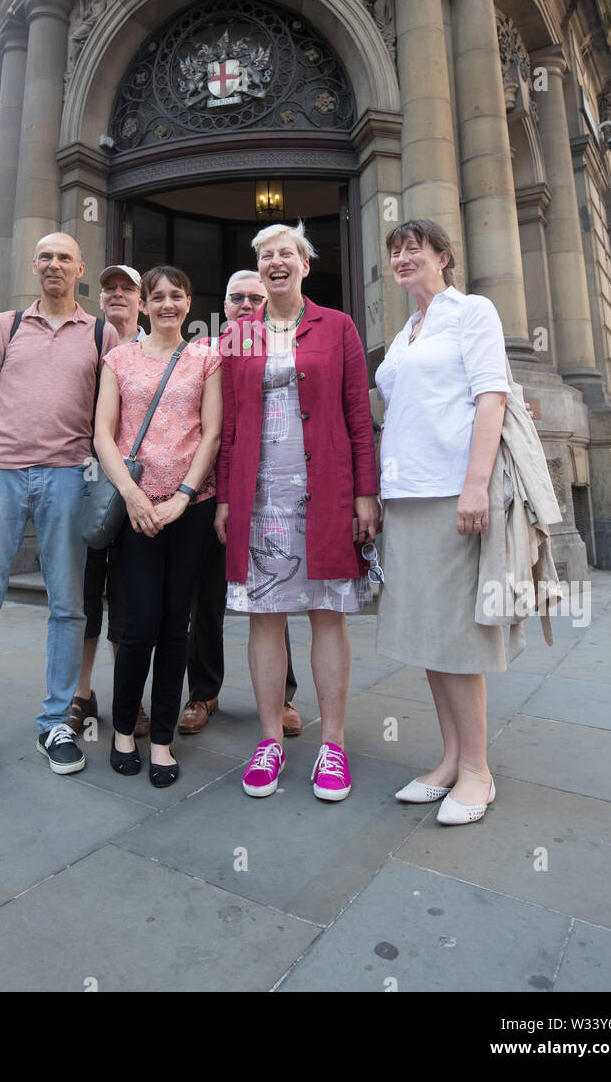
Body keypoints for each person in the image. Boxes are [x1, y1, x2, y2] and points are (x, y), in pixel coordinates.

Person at [0, 233, 118, 791]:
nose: (54, 265)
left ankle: (57, 723)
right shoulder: (5, 324)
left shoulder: (101, 333)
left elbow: (118, 406)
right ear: (35, 266)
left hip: (68, 476)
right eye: (45, 256)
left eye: (65, 257)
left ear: (79, 268)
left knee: (69, 607)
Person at [216, 222, 379, 802]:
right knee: (265, 615)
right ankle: (269, 741)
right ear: (258, 270)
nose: (275, 262)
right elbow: (230, 424)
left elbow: (358, 414)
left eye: (286, 253)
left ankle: (332, 745)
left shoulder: (336, 326)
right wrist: (226, 500)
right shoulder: (239, 335)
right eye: (265, 255)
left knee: (326, 614)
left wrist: (366, 493)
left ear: (305, 265)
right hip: (259, 496)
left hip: (326, 489)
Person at [375, 218, 511, 827]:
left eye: (414, 249)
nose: (403, 258)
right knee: (429, 634)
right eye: (395, 251)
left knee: (457, 636)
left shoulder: (471, 312)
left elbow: (492, 396)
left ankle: (479, 770)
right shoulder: (405, 332)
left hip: (451, 492)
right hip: (405, 495)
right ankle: (452, 759)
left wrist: (475, 485)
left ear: (443, 257)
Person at [95, 265, 222, 788]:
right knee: (139, 624)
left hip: (189, 508)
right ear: (143, 305)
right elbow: (102, 434)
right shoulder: (118, 359)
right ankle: (125, 730)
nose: (168, 304)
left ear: (189, 303)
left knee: (177, 626)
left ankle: (164, 739)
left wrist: (184, 497)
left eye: (177, 295)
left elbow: (211, 433)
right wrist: (133, 496)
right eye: (158, 296)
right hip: (136, 509)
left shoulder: (206, 358)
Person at [179, 269, 302, 737]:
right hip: (209, 490)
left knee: (274, 591)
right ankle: (202, 693)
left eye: (257, 297)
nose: (248, 305)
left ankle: (283, 697)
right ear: (224, 305)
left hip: (265, 489)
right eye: (238, 298)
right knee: (204, 597)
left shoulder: (280, 347)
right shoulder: (203, 352)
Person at [71, 264, 148, 737]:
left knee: (127, 597)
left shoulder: (152, 345)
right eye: (109, 289)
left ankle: (129, 698)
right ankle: (81, 693)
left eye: (128, 288)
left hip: (135, 486)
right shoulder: (84, 341)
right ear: (100, 298)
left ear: (142, 299)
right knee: (82, 596)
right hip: (82, 479)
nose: (117, 294)